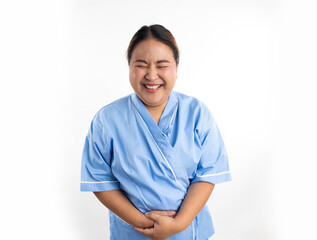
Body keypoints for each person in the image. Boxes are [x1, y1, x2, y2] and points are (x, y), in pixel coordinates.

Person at [80, 24, 231, 240]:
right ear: (129, 66)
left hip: (187, 231)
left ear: (176, 66)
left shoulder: (197, 112)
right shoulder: (107, 119)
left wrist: (179, 223)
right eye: (141, 65)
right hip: (133, 232)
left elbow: (207, 174)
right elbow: (100, 180)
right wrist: (144, 224)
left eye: (162, 65)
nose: (152, 75)